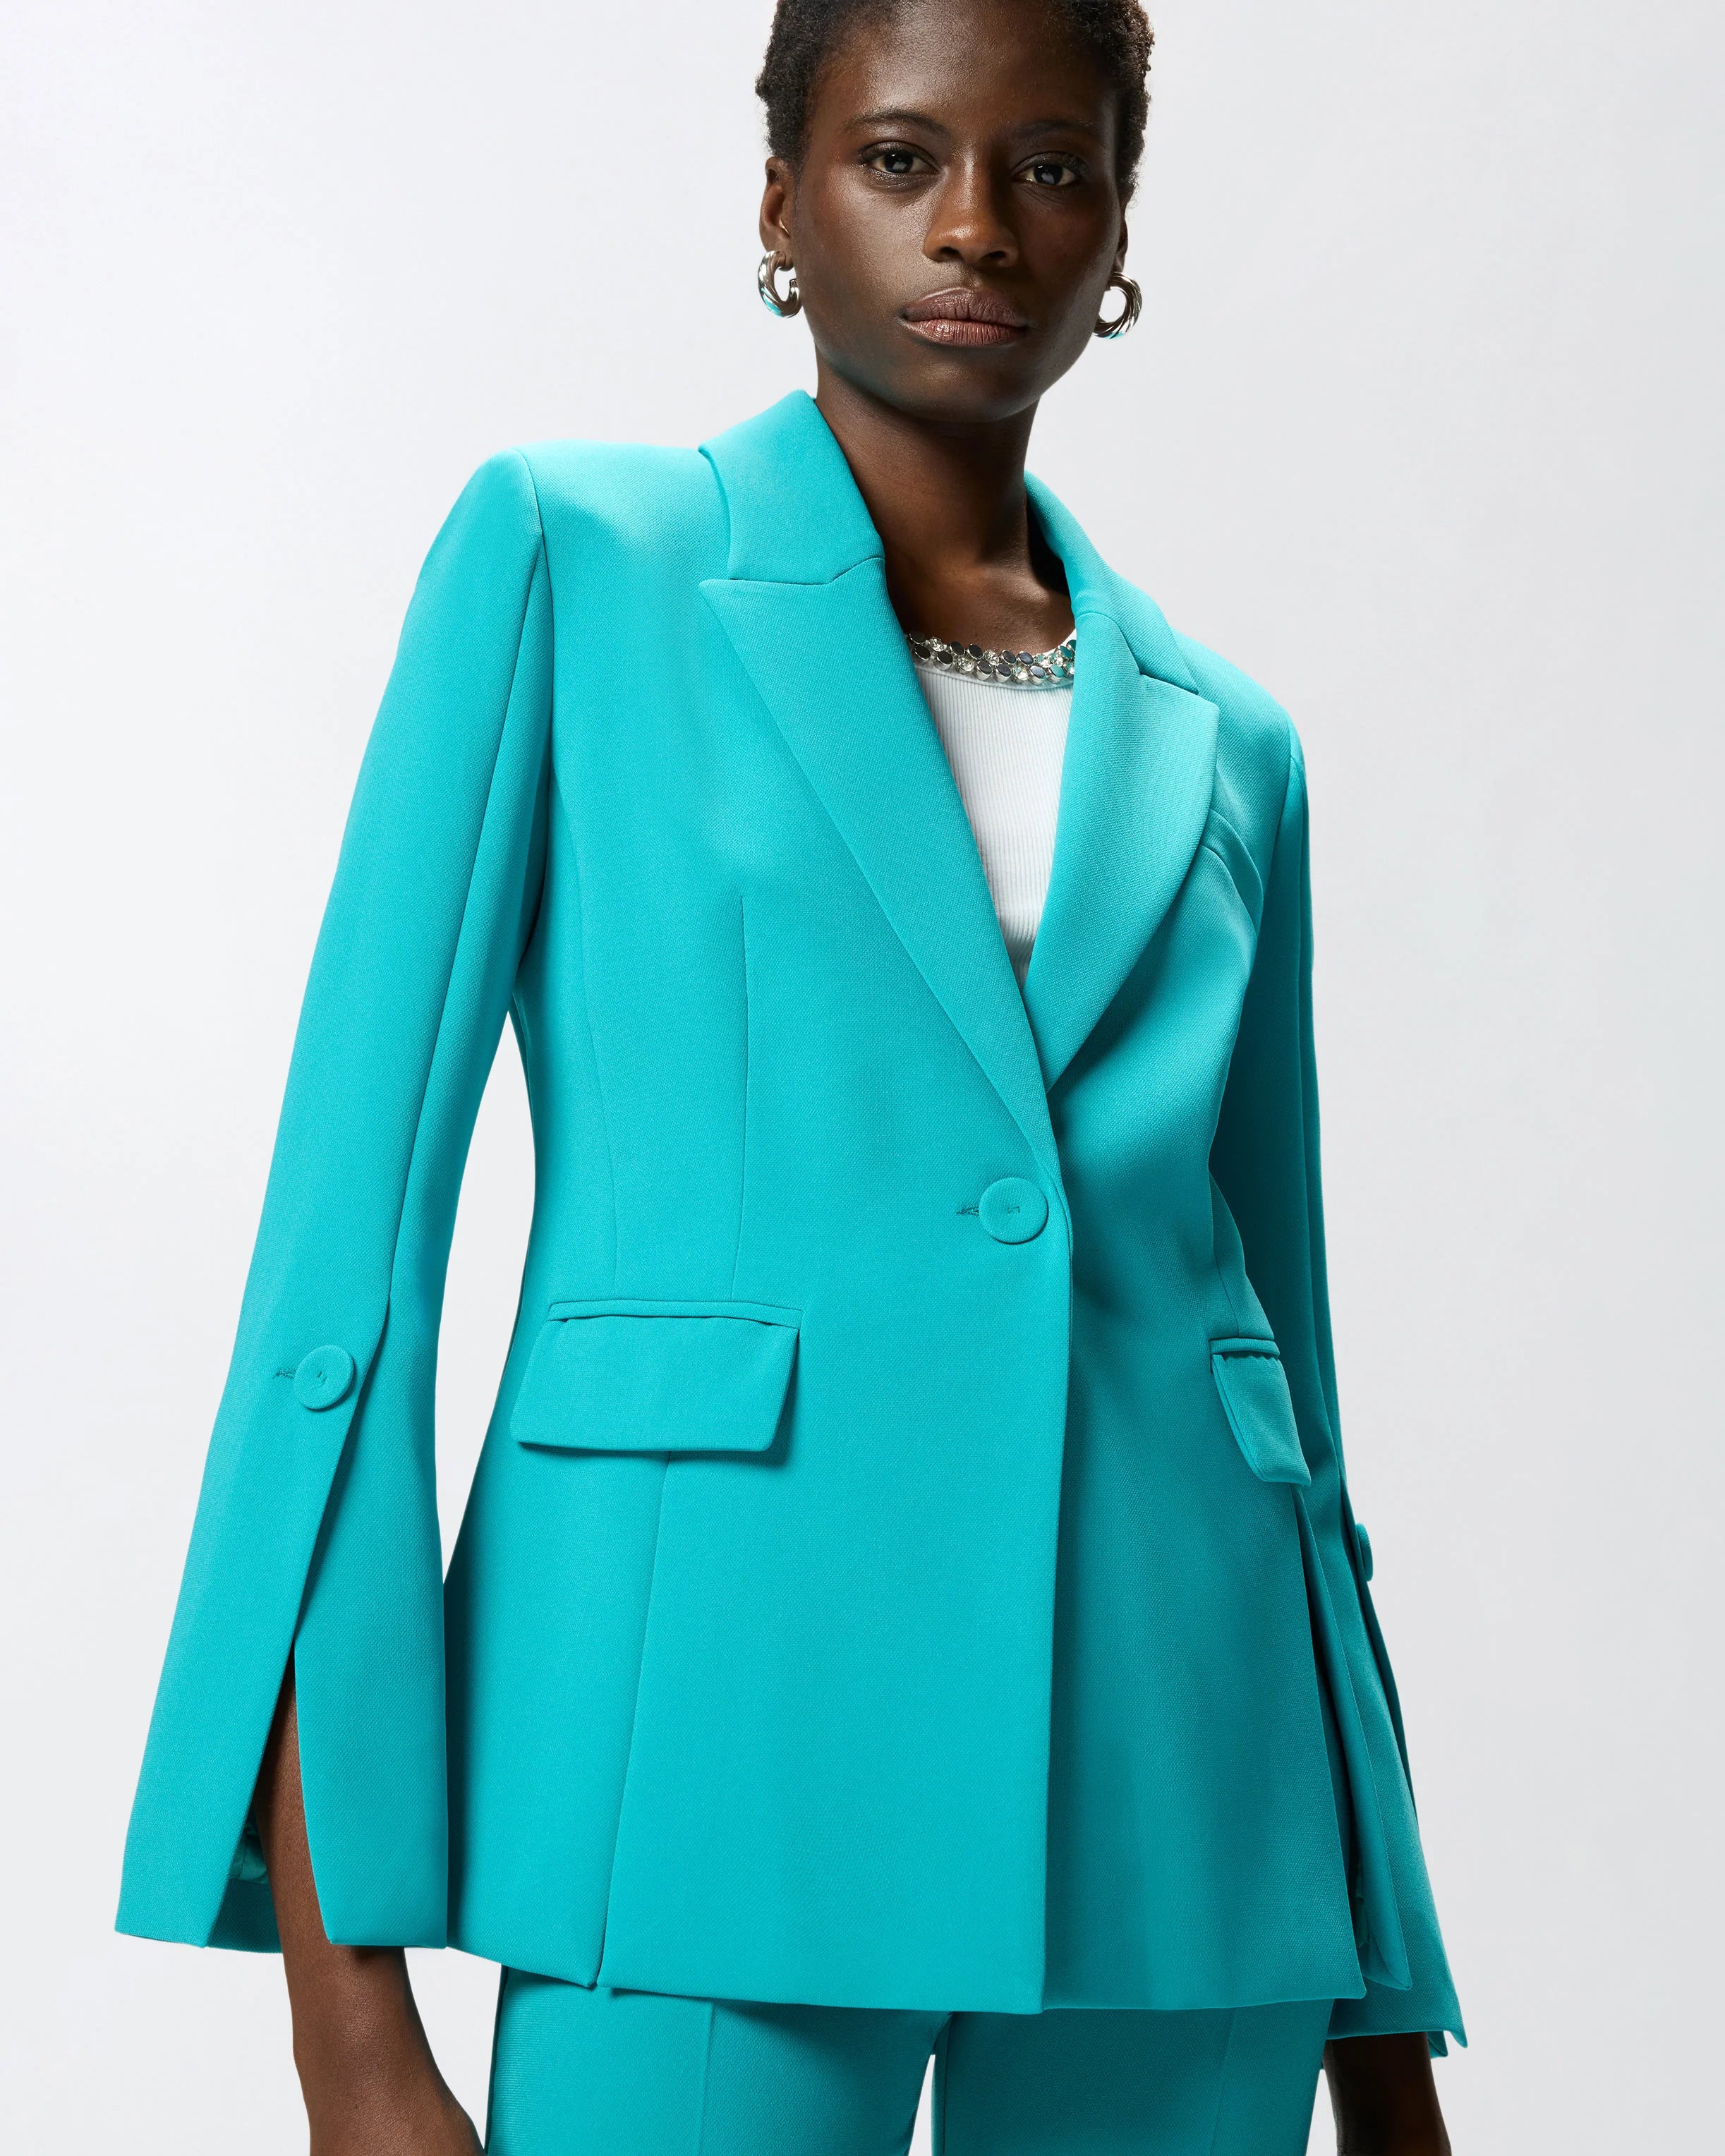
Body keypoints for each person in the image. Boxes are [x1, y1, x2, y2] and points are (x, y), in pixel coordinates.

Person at [117, 1, 1463, 2149]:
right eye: (900, 158)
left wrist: (1382, 2022)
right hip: (698, 1778)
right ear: (782, 198)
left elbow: (1287, 1400)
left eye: (1049, 169)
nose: (976, 227)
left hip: (1189, 1839)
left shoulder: (1234, 744)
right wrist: (343, 2020)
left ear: (1119, 229)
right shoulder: (574, 561)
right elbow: (340, 1296)